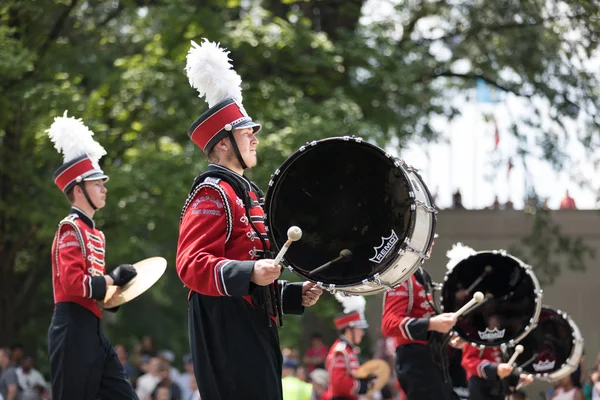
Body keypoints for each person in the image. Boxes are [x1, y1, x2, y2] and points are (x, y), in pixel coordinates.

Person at [176, 39, 323, 400]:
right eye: (246, 134)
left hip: (251, 324)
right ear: (223, 144)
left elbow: (252, 267)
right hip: (225, 327)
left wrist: (291, 295)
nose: (255, 140)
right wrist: (250, 273)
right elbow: (190, 265)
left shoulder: (245, 192)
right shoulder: (214, 192)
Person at [45, 112, 138, 400]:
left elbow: (94, 291)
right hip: (71, 329)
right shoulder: (70, 229)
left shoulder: (96, 234)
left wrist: (116, 288)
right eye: (97, 183)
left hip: (91, 329)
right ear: (78, 189)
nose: (104, 188)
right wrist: (111, 277)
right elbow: (74, 284)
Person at [381, 266, 458, 400]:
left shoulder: (420, 273)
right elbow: (388, 324)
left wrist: (449, 337)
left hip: (432, 356)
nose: (431, 244)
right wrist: (432, 324)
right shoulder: (402, 273)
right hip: (415, 360)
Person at [323, 294, 376, 400]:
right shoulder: (341, 350)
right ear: (349, 330)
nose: (362, 333)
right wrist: (361, 386)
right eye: (359, 329)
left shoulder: (348, 350)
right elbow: (339, 382)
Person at [461, 343, 533, 400]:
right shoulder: (475, 336)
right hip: (481, 387)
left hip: (500, 389)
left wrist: (516, 379)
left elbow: (503, 366)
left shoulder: (505, 336)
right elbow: (468, 361)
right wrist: (493, 369)